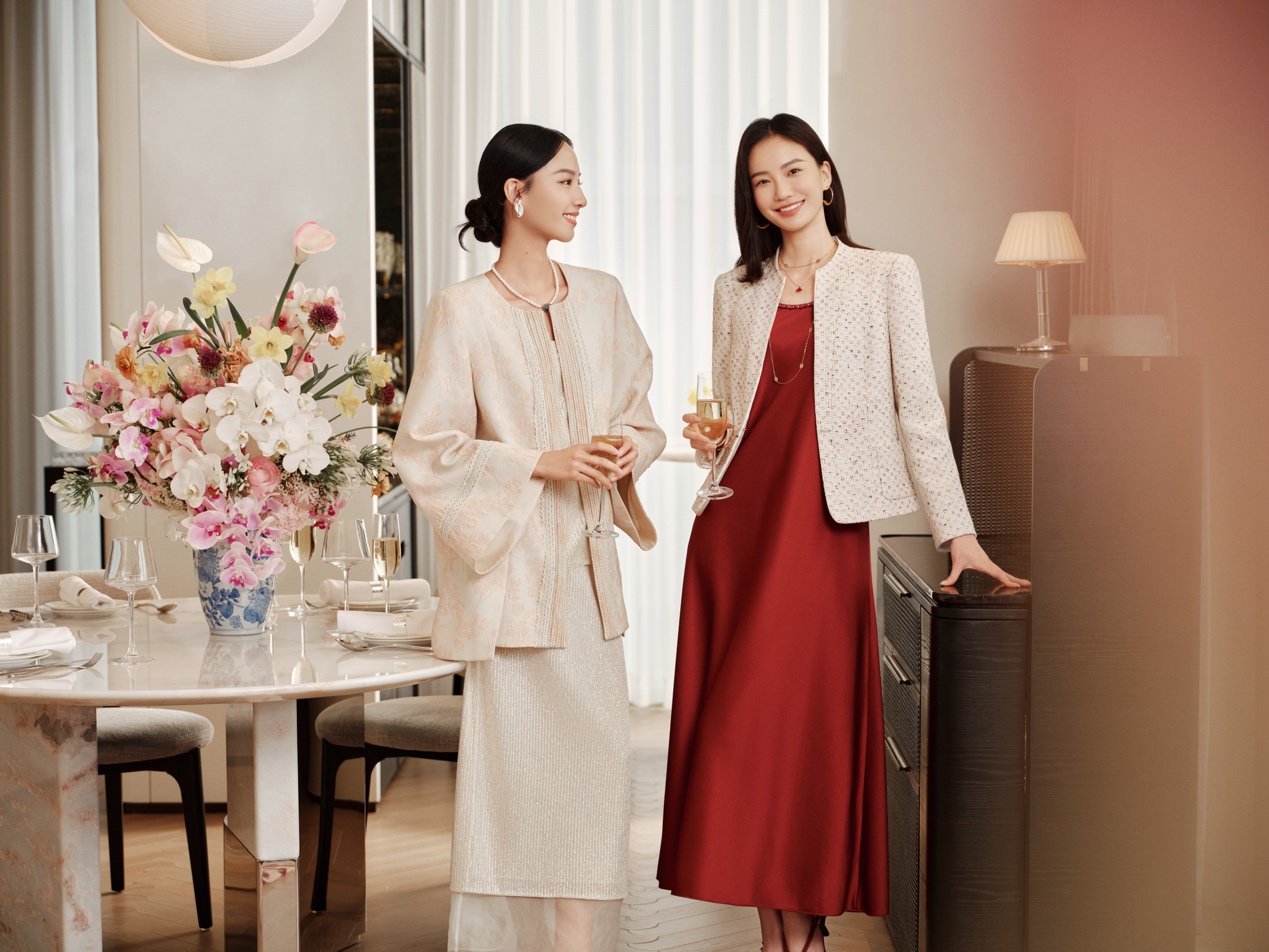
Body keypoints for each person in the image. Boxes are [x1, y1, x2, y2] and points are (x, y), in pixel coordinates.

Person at [656, 113, 1028, 952]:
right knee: (742, 733)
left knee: (798, 729)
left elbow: (918, 412)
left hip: (821, 530)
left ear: (824, 174)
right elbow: (732, 413)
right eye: (760, 181)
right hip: (734, 529)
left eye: (793, 171)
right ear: (749, 197)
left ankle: (801, 934)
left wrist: (957, 535)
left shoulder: (885, 274)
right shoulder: (734, 288)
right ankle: (785, 939)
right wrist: (708, 441)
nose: (779, 191)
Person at [394, 122, 666, 952]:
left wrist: (628, 449)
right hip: (510, 592)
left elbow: (641, 417)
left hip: (589, 586)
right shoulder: (461, 311)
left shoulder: (603, 296)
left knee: (593, 784)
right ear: (516, 193)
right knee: (514, 796)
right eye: (566, 180)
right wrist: (540, 461)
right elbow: (426, 448)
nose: (581, 197)